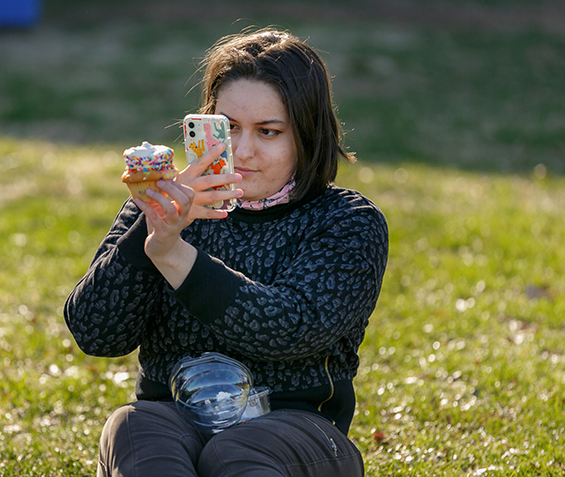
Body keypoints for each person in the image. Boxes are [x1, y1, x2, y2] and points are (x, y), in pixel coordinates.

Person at [64, 27, 389, 477]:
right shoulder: (161, 208)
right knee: (133, 427)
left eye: (269, 132)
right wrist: (149, 237)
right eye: (228, 127)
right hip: (173, 416)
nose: (242, 150)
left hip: (297, 428)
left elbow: (289, 329)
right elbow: (95, 333)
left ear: (308, 136)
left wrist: (173, 254)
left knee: (234, 454)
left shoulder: (345, 220)